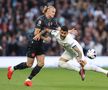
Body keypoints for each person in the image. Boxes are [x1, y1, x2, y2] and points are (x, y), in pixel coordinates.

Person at [7, 5, 60, 87]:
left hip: (40, 43)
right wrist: (45, 38)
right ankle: (12, 69)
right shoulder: (40, 20)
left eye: (55, 12)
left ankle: (28, 80)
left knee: (41, 63)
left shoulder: (53, 20)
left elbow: (59, 29)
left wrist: (68, 31)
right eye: (53, 11)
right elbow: (36, 34)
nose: (54, 13)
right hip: (34, 41)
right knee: (29, 64)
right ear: (48, 11)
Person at [43, 26, 108, 80]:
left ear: (67, 33)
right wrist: (42, 33)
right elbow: (48, 30)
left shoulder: (69, 40)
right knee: (60, 63)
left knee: (85, 66)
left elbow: (78, 51)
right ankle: (79, 70)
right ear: (60, 31)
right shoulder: (56, 33)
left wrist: (80, 59)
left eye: (64, 33)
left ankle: (106, 72)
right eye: (61, 33)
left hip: (77, 51)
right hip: (69, 51)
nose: (62, 34)